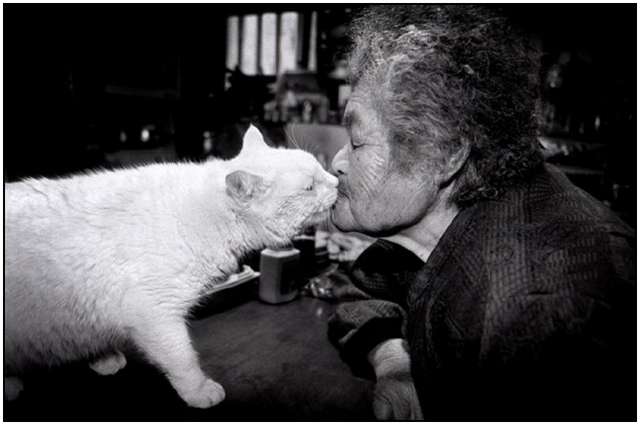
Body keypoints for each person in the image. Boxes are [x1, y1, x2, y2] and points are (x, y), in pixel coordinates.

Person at [327, 5, 635, 420]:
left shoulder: (540, 315)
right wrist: (395, 361)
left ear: (443, 154)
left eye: (357, 140)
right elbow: (364, 289)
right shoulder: (448, 222)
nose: (337, 162)